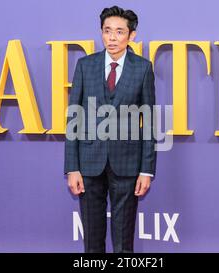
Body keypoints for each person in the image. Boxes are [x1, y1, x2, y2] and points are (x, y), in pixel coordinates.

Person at [64, 5, 157, 253]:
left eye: (119, 32)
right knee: (92, 244)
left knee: (124, 244)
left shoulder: (143, 68)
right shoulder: (85, 65)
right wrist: (72, 167)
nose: (112, 38)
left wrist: (147, 170)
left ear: (131, 35)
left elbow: (148, 122)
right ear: (101, 33)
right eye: (107, 31)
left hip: (127, 164)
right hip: (88, 163)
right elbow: (74, 118)